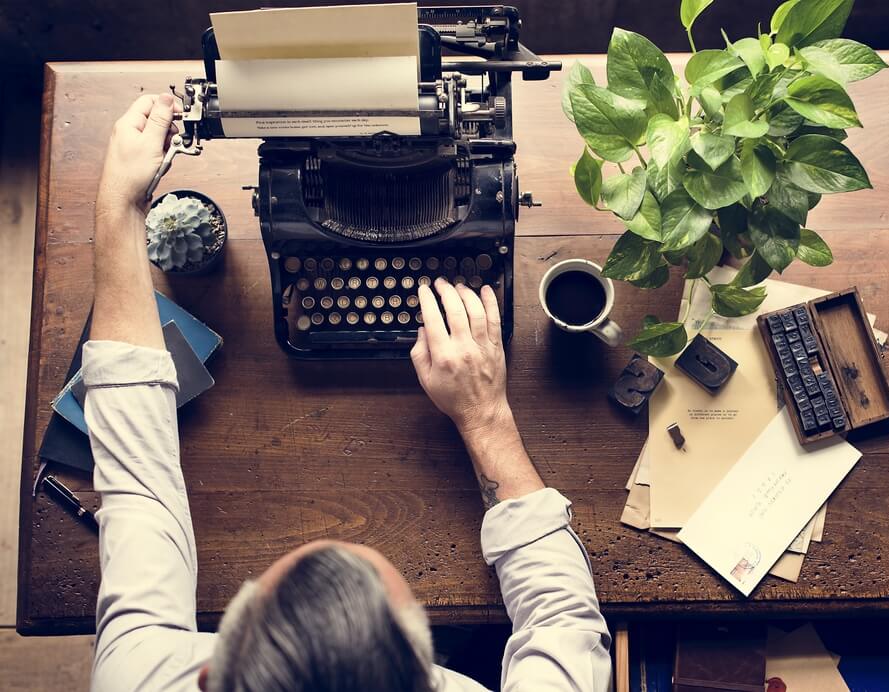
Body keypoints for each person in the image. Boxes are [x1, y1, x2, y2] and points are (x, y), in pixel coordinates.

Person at [85, 92, 611, 691]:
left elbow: (135, 483)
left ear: (204, 679)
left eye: (268, 598)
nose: (332, 544)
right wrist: (486, 416)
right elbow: (563, 617)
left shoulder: (139, 678)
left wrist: (118, 202)